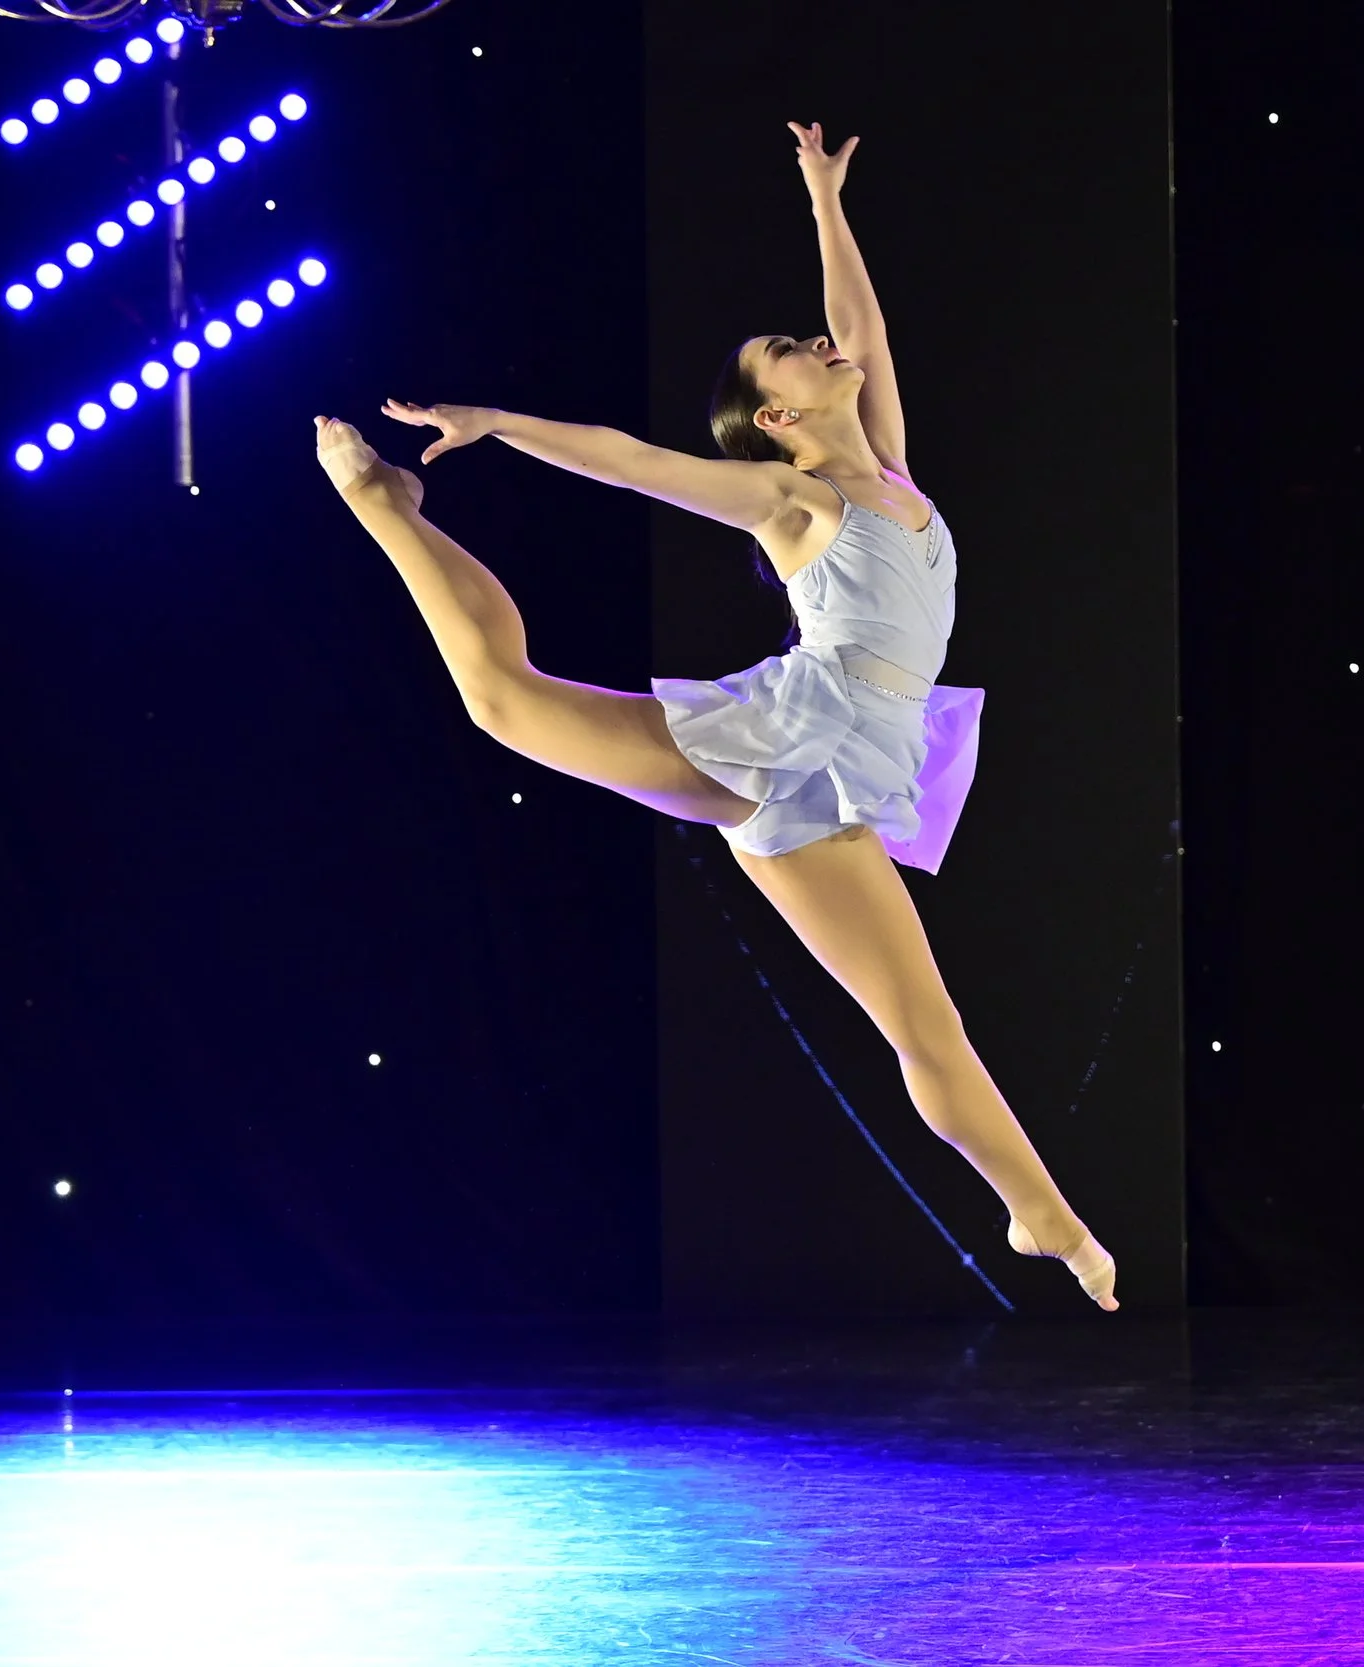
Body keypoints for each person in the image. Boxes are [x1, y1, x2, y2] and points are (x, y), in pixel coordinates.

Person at [311, 121, 1115, 1311]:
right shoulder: (793, 497)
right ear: (776, 419)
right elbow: (634, 462)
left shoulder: (885, 466)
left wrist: (822, 196)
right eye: (788, 352)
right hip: (807, 746)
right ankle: (384, 501)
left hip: (848, 739)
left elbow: (866, 328)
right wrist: (498, 422)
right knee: (506, 705)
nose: (819, 343)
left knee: (507, 704)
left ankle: (1036, 1209)